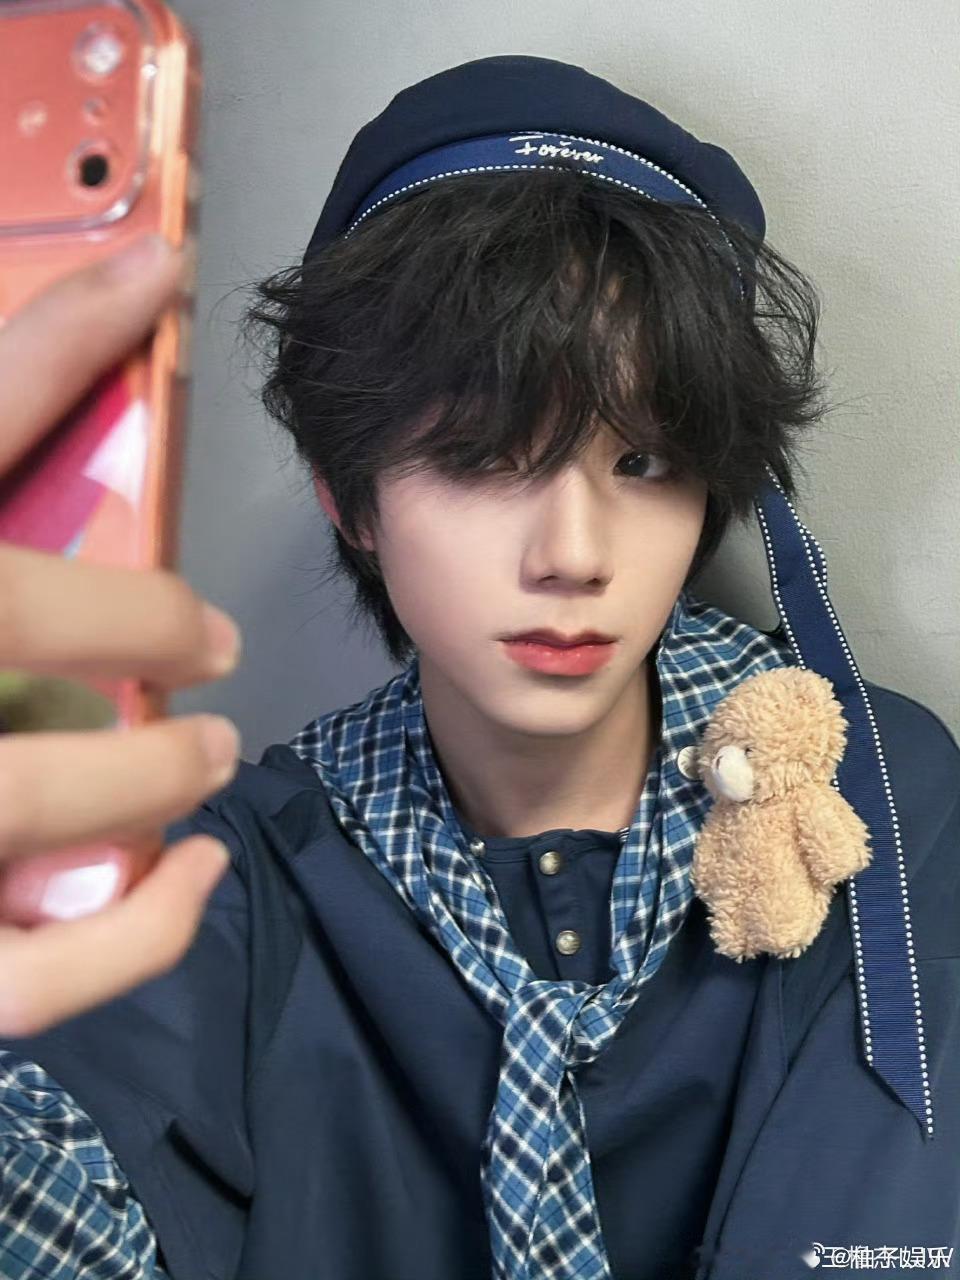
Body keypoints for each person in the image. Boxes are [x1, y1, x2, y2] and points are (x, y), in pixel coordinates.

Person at [0, 54, 957, 1280]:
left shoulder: (868, 796)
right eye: (482, 456)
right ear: (349, 495)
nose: (573, 554)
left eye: (645, 462)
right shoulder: (236, 875)